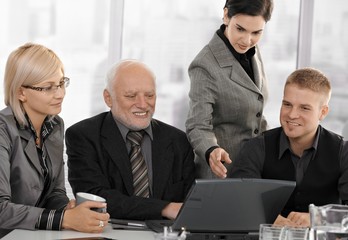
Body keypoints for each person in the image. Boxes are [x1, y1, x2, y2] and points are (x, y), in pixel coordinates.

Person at [0, 43, 110, 237]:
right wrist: (64, 219)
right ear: (21, 92)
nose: (60, 94)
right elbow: (1, 211)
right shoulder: (3, 130)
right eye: (48, 88)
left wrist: (67, 209)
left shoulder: (54, 125)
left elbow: (54, 193)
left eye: (61, 83)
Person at [66, 59, 195, 220]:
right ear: (108, 98)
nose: (142, 104)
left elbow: (192, 201)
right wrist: (165, 208)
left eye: (149, 95)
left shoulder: (179, 141)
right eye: (131, 96)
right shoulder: (83, 136)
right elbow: (95, 197)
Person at [229, 67, 348, 227]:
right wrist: (270, 219)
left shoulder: (342, 152)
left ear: (323, 112)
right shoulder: (257, 148)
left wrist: (318, 218)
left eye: (304, 108)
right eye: (287, 104)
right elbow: (237, 199)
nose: (292, 115)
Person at [185, 0, 274, 179]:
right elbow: (197, 124)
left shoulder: (253, 50)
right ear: (226, 15)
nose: (247, 40)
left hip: (254, 167)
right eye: (240, 29)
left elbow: (257, 109)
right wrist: (211, 150)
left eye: (256, 32)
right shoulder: (205, 64)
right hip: (223, 172)